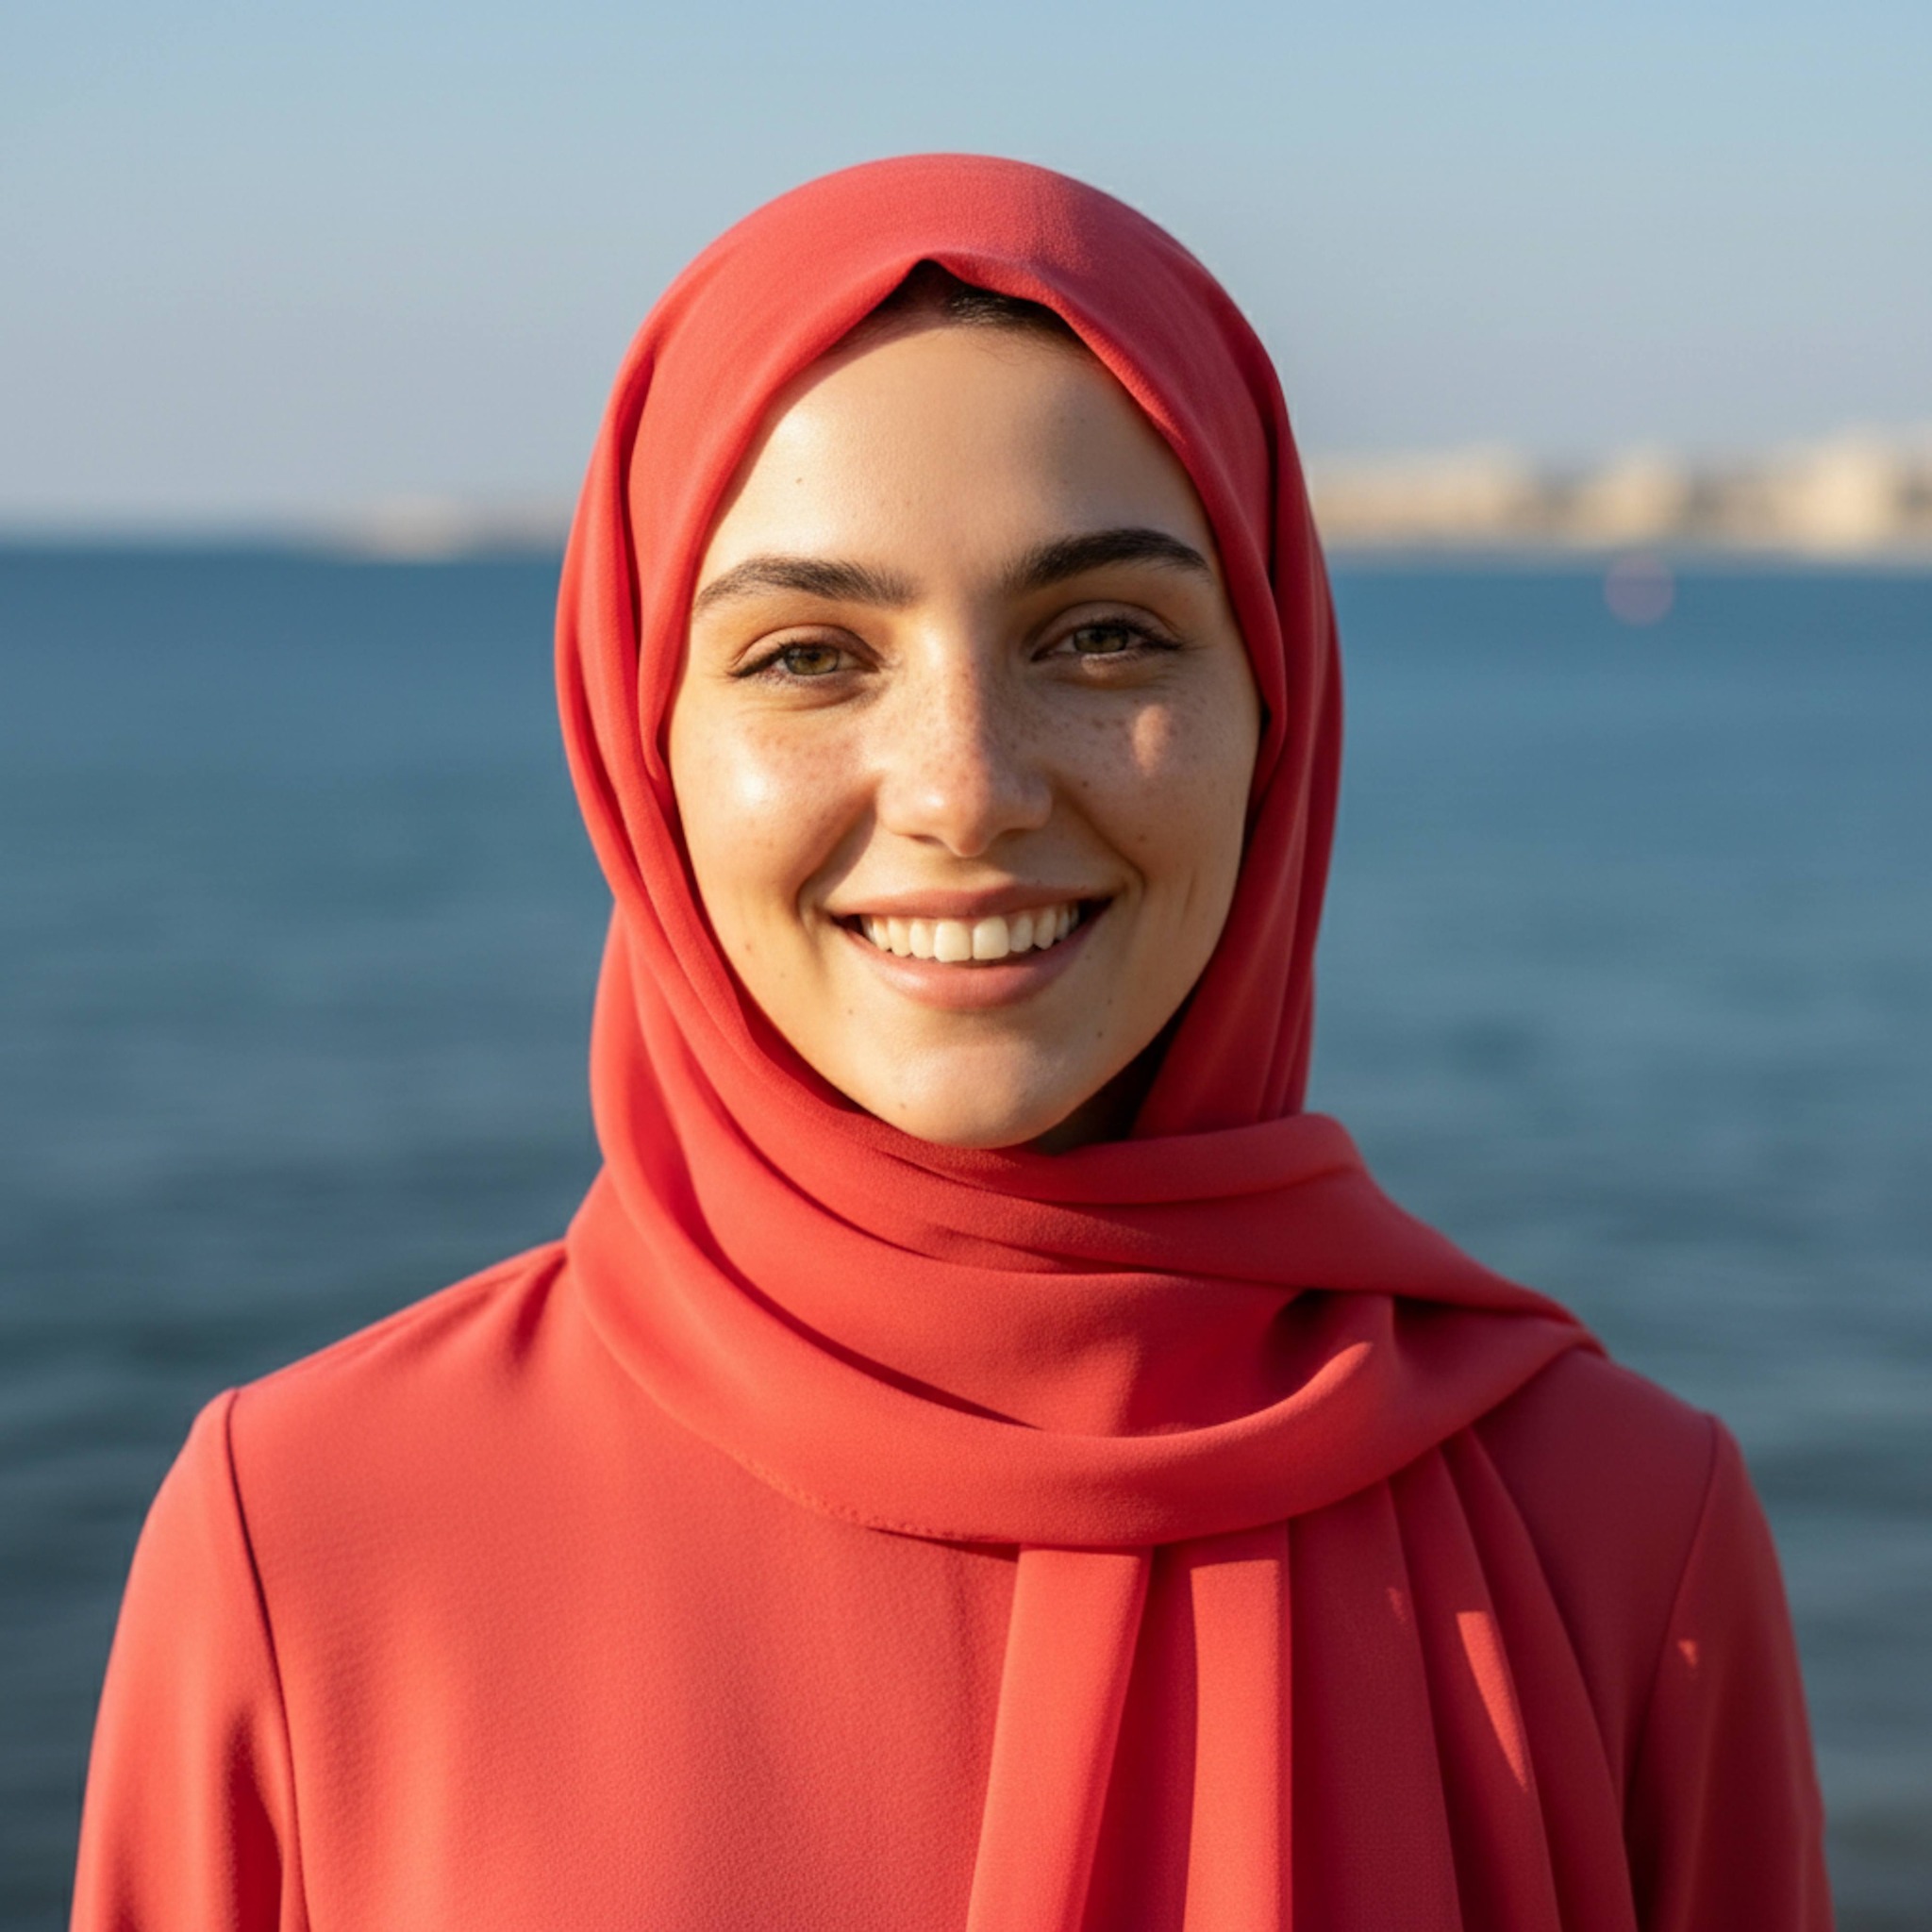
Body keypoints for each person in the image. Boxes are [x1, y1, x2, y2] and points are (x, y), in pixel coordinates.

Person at [71, 154, 1831, 1930]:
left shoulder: (1618, 1532)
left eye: (1107, 635)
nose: (968, 791)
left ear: (1275, 708)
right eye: (810, 656)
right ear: (639, 742)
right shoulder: (308, 1536)